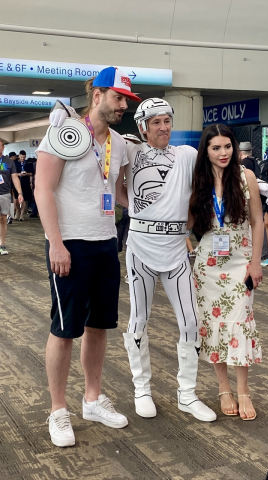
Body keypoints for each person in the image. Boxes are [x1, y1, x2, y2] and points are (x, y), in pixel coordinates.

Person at [35, 66, 141, 447]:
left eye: (127, 101)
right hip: (71, 245)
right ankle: (58, 410)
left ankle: (92, 399)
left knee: (99, 326)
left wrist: (155, 210)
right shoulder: (64, 134)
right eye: (118, 98)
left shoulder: (121, 143)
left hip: (105, 243)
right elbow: (42, 190)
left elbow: (122, 194)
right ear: (96, 95)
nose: (123, 107)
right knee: (64, 330)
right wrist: (56, 243)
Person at [116, 98, 217, 422]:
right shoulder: (130, 150)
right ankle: (141, 389)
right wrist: (132, 204)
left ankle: (187, 394)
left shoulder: (187, 155)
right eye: (156, 121)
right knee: (138, 320)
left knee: (191, 322)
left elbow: (211, 177)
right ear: (143, 125)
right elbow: (106, 176)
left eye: (167, 121)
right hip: (141, 250)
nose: (163, 127)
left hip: (175, 252)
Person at [190, 124, 263, 421]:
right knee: (212, 325)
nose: (223, 153)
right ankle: (223, 387)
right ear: (205, 151)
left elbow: (258, 222)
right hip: (207, 265)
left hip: (240, 262)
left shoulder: (246, 178)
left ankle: (243, 390)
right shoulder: (198, 181)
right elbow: (187, 221)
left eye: (227, 146)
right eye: (216, 147)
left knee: (240, 321)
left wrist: (256, 262)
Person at [238, 142, 268, 265]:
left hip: (250, 198)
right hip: (262, 197)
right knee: (259, 224)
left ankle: (261, 255)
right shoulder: (258, 162)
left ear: (240, 152)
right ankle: (264, 256)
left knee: (252, 225)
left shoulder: (244, 165)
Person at [0, 140, 23, 255]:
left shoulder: (9, 162)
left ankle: (2, 245)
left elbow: (14, 178)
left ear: (3, 147)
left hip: (4, 194)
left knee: (3, 219)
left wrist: (20, 193)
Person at [14, 150, 34, 221]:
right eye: (21, 157)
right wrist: (19, 174)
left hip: (25, 182)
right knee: (16, 198)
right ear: (19, 156)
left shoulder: (29, 164)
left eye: (24, 157)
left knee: (24, 199)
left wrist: (26, 174)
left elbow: (32, 173)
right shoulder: (15, 163)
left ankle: (22, 215)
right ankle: (17, 211)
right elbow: (13, 173)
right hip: (17, 182)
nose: (23, 158)